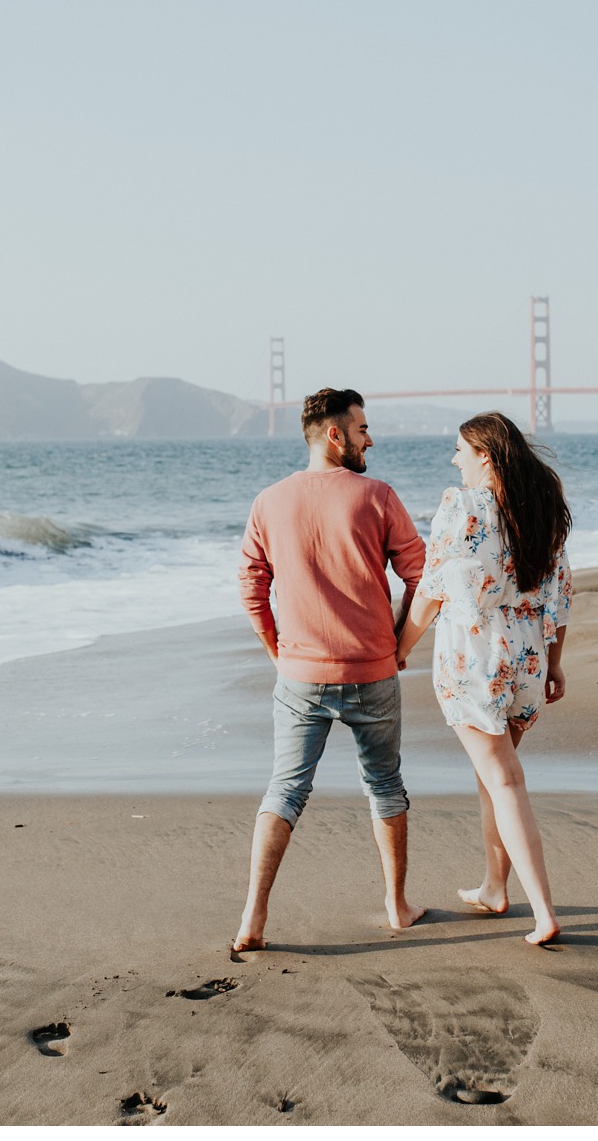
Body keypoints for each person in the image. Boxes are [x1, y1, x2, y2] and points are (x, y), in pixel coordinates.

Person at [233, 388, 429, 954]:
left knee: (285, 790)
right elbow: (424, 581)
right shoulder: (378, 496)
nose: (371, 438)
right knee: (385, 785)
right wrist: (398, 644)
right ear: (334, 435)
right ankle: (397, 906)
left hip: (299, 675)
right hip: (372, 672)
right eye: (363, 428)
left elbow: (251, 583)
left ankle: (253, 915)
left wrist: (275, 647)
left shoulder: (269, 501)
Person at [394, 411, 573, 947]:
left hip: (476, 666)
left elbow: (432, 588)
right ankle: (496, 887)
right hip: (526, 662)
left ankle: (543, 911)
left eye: (459, 450)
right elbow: (559, 594)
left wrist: (399, 649)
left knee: (504, 781)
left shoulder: (462, 506)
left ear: (485, 456)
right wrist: (556, 660)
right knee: (493, 775)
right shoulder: (540, 509)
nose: (454, 460)